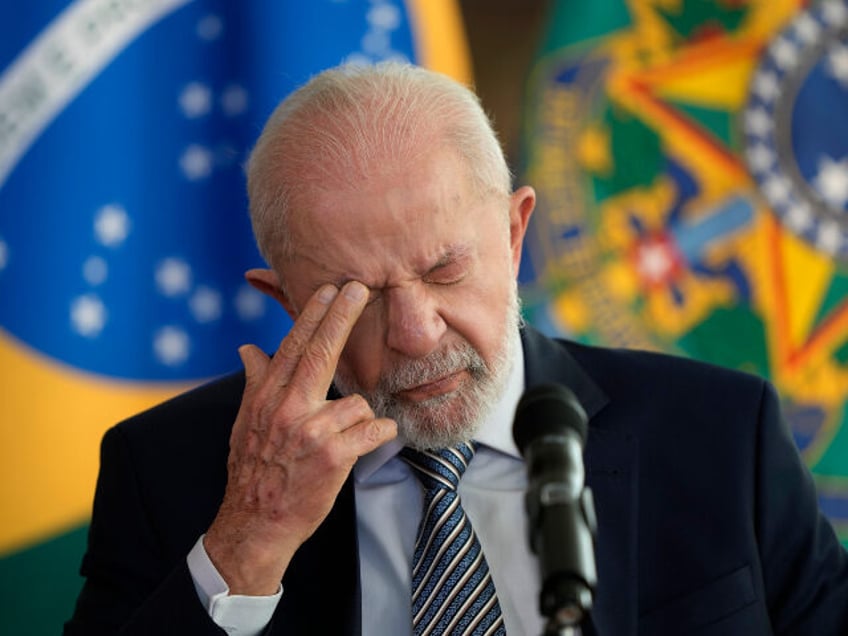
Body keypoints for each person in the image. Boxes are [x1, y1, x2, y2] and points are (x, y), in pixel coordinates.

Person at [65, 61, 848, 636]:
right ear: (286, 302)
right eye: (355, 295)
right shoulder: (167, 472)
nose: (415, 332)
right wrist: (248, 541)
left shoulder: (720, 434)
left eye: (444, 269)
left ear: (514, 234)